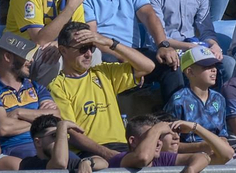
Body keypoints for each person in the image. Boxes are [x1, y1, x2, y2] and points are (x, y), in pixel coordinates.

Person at [47, 22, 157, 162]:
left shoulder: (104, 72)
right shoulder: (58, 86)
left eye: (92, 48)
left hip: (122, 148)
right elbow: (71, 134)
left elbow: (148, 66)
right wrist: (108, 153)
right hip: (91, 153)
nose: (88, 54)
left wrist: (109, 42)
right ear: (63, 50)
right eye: (82, 49)